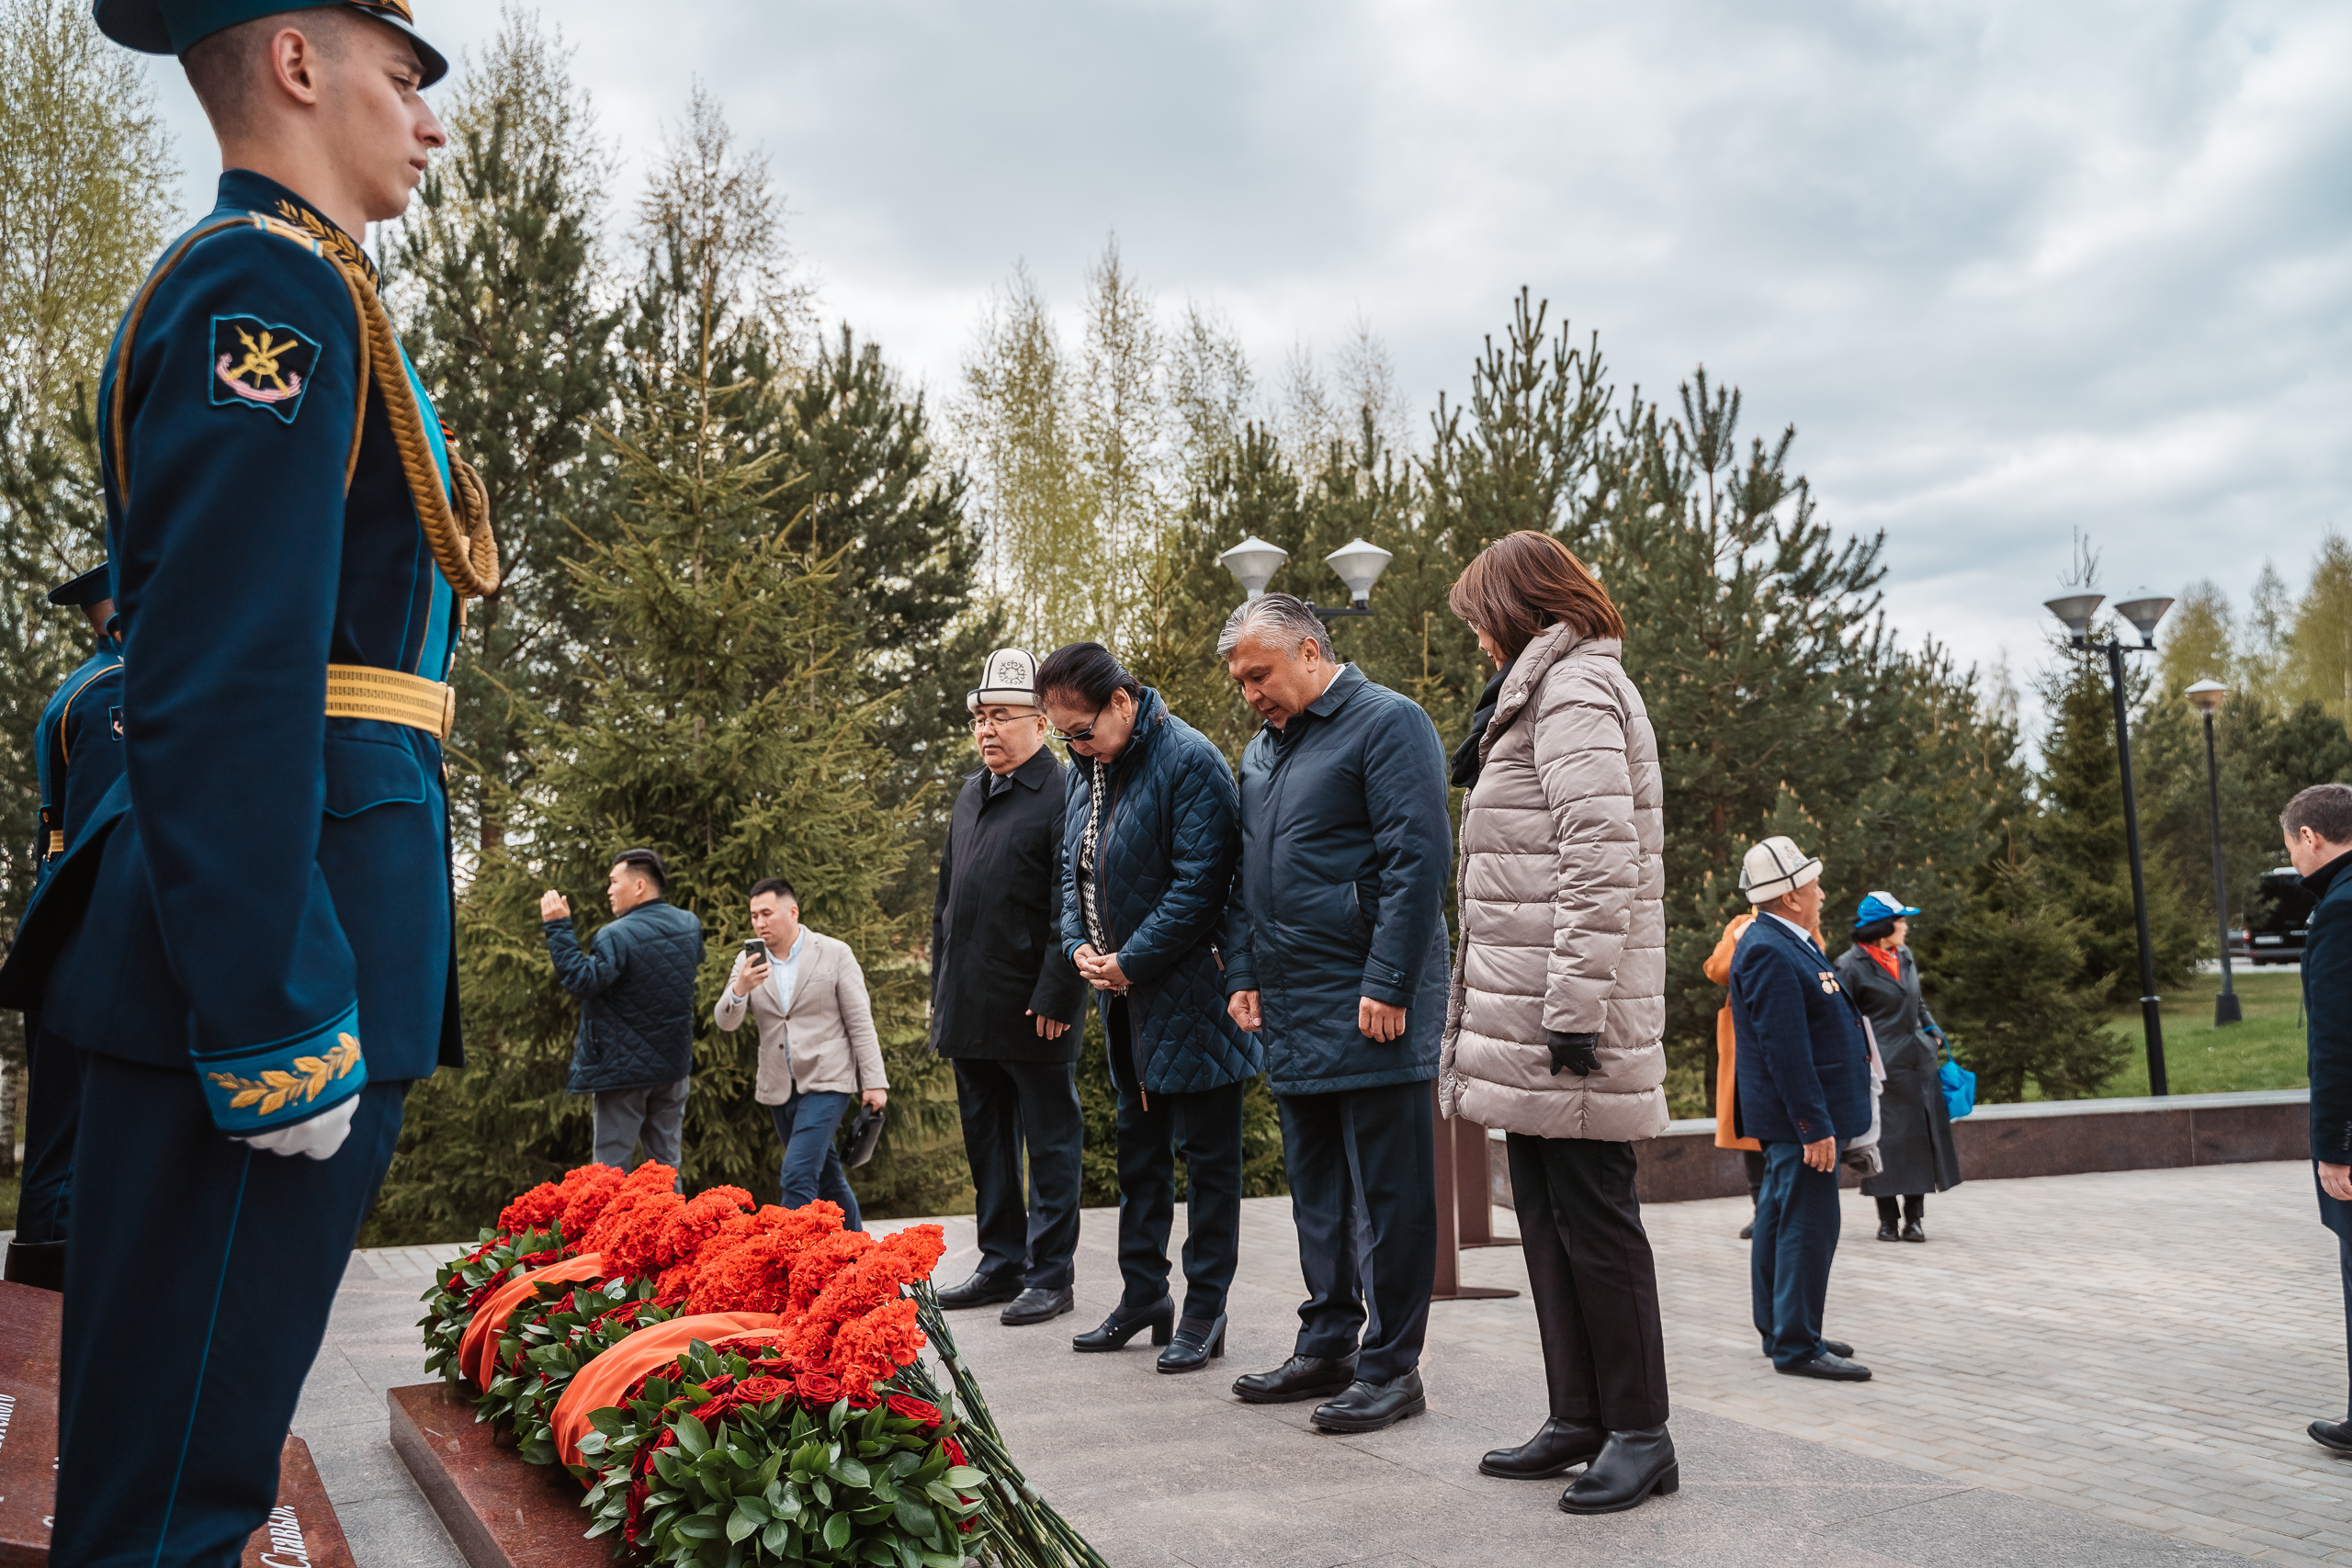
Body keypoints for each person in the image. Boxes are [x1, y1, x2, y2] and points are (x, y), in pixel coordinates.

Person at [0, 5, 475, 1560]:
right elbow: (218, 673)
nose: (429, 117)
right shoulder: (264, 285)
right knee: (174, 1501)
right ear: (295, 62)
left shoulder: (311, 281)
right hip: (276, 949)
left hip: (317, 911)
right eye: (402, 77)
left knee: (198, 1467)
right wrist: (272, 1007)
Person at [1438, 532, 1677, 1515]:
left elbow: (1597, 854)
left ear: (1517, 610)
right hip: (1530, 1018)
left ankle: (1640, 1433)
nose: (1476, 645)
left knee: (1595, 1224)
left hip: (1565, 1020)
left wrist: (1574, 1013)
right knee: (1546, 1223)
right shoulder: (1542, 693)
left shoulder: (1575, 690)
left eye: (1479, 624)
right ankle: (1577, 1416)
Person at [1221, 593, 1453, 1434]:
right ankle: (1328, 1343)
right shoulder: (1261, 752)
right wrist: (1243, 972)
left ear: (1311, 652)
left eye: (1261, 673)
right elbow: (1247, 879)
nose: (1250, 692)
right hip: (1291, 1004)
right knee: (1316, 1191)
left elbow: (1418, 857)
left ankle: (1394, 1368)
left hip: (1370, 1003)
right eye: (1241, 680)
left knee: (1389, 1197)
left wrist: (1390, 979)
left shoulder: (1389, 723)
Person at [1044, 641, 1260, 1369]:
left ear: (1123, 703)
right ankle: (1145, 1294)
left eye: (1081, 729)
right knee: (1139, 1155)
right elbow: (1070, 880)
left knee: (1209, 1164)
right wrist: (1078, 947)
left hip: (1194, 997)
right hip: (1122, 1000)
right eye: (1061, 734)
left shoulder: (1188, 759)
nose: (1073, 745)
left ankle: (1205, 1308)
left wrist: (1129, 960)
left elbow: (1204, 885)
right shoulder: (1089, 773)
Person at [930, 649, 1091, 1321]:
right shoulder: (973, 793)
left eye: (1001, 717)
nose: (986, 730)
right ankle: (1000, 1262)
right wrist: (941, 988)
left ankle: (1050, 1274)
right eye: (979, 718)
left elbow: (1075, 899)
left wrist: (1059, 990)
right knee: (987, 1139)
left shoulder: (1063, 792)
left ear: (1041, 723)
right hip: (971, 1002)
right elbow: (947, 899)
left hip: (1035, 1005)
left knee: (1050, 1142)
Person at [3, 567, 127, 1292]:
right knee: (70, 1139)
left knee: (67, 1132)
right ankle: (42, 1339)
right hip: (86, 923)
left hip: (67, 919)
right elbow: (102, 837)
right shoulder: (113, 693)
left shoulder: (88, 683)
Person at [1731, 836, 1875, 1382]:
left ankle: (1782, 1327)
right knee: (1806, 1228)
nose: (1821, 892)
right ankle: (1796, 1345)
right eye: (1813, 883)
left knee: (1778, 1218)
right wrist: (1814, 1126)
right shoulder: (1771, 946)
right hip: (1800, 1123)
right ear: (1791, 896)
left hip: (1793, 1120)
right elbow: (1785, 1048)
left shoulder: (1786, 938)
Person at [715, 878, 888, 1227]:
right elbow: (726, 1021)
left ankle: (787, 1265)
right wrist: (740, 988)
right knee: (828, 1178)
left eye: (767, 913)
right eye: (753, 916)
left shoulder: (834, 952)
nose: (759, 923)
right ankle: (861, 1259)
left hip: (828, 1080)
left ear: (792, 912)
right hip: (780, 1084)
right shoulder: (747, 961)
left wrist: (874, 1083)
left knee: (796, 1175)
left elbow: (860, 1022)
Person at [544, 850, 705, 1175]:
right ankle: (669, 1225)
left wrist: (558, 927)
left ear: (640, 885)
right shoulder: (689, 925)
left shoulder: (616, 935)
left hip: (622, 1072)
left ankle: (609, 1226)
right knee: (666, 1167)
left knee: (610, 1168)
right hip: (673, 1067)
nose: (609, 890)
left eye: (614, 881)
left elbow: (581, 981)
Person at [1835, 892, 1962, 1242]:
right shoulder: (1850, 965)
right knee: (1886, 1143)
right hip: (1880, 1070)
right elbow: (1842, 1018)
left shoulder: (1904, 955)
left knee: (1919, 1142)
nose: (1906, 926)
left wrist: (1933, 1032)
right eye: (1901, 920)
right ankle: (1888, 1220)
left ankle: (1915, 1219)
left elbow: (1917, 1001)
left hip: (1917, 1064)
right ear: (1883, 926)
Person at [2286, 784, 2352, 1454]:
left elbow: (2337, 1040)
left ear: (2310, 836)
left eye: (2292, 846)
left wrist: (2335, 1148)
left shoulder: (2340, 909)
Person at [1708, 900, 1826, 1240]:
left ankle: (1779, 1211)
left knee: (1779, 1127)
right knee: (1748, 1128)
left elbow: (1814, 963)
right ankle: (1761, 1210)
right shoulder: (1740, 924)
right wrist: (1739, 937)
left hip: (1785, 1029)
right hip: (1743, 1036)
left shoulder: (1804, 926)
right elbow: (1716, 969)